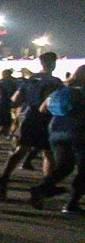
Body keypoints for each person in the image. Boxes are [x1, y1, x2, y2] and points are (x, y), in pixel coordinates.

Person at [0, 50, 63, 200]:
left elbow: (15, 99)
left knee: (21, 150)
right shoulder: (55, 82)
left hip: (28, 117)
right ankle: (46, 186)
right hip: (46, 119)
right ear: (53, 64)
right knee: (48, 153)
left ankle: (4, 179)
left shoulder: (30, 80)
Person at [25, 67, 85, 214]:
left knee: (64, 167)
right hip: (78, 132)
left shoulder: (62, 90)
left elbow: (42, 109)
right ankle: (72, 203)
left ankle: (41, 189)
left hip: (56, 131)